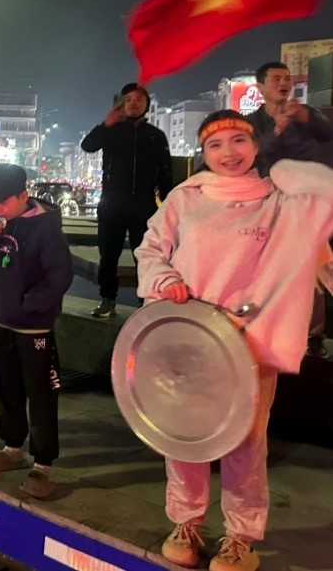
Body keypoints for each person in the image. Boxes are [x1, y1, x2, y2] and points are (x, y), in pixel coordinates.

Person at [135, 110, 333, 571]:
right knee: (183, 435)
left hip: (249, 345)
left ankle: (241, 535)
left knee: (246, 441)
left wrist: (294, 171)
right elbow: (150, 248)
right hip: (188, 341)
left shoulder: (281, 199)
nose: (229, 153)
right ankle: (185, 521)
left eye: (238, 141)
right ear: (203, 154)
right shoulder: (186, 198)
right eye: (215, 145)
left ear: (257, 145)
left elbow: (316, 247)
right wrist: (164, 280)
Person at [0, 163, 73, 500]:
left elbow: (60, 275)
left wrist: (29, 304)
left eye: (3, 202)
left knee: (41, 393)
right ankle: (12, 447)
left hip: (33, 326)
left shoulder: (45, 227)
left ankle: (43, 464)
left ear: (24, 195)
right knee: (7, 387)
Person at [246, 61, 333, 358]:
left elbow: (326, 133)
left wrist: (305, 115)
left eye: (287, 78)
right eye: (275, 78)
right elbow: (253, 157)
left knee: (311, 269)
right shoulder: (251, 123)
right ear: (260, 87)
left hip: (303, 204)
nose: (283, 83)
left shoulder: (305, 114)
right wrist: (277, 131)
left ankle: (313, 335)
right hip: (266, 202)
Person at [80, 83, 173, 318]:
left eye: (138, 99)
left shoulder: (155, 135)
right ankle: (107, 299)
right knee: (108, 255)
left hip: (144, 204)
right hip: (111, 202)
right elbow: (87, 146)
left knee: (145, 255)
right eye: (128, 99)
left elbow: (165, 171)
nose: (133, 103)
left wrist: (168, 203)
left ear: (146, 105)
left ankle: (146, 301)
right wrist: (106, 123)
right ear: (121, 104)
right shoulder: (111, 130)